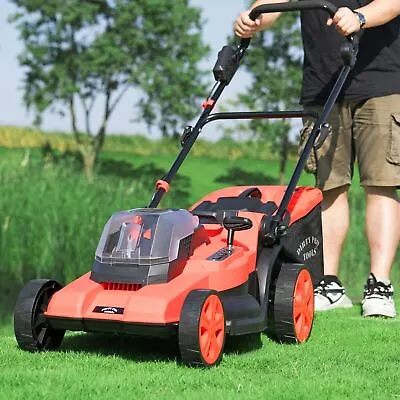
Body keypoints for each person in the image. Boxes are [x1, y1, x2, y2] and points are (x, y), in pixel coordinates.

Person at [234, 0, 400, 317]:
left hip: (381, 81)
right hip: (321, 85)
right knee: (329, 187)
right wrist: (252, 19)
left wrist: (361, 17)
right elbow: (270, 5)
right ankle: (330, 284)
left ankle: (380, 286)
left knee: (382, 183)